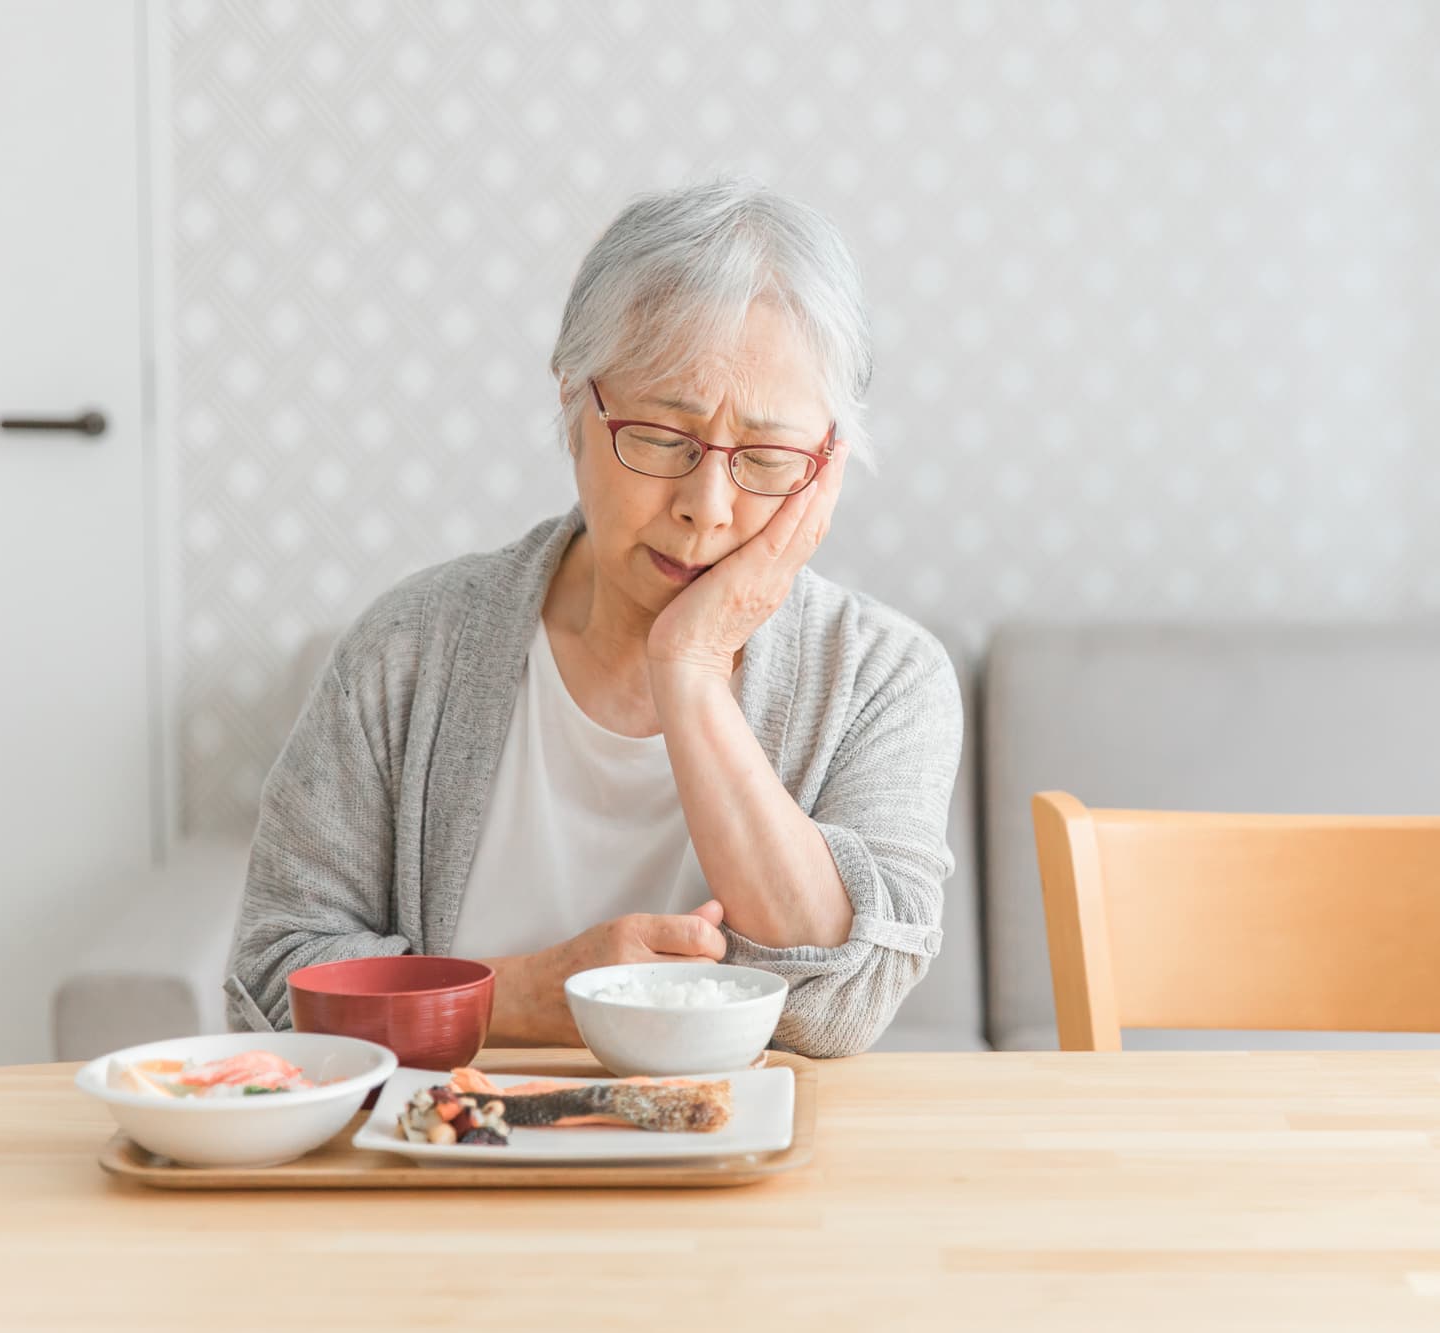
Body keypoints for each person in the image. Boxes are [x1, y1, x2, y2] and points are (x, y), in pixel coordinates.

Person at [224, 178, 962, 1058]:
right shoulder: (408, 650)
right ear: (574, 400)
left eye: (768, 457)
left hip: (752, 1183)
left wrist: (688, 669)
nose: (708, 505)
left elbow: (835, 1007)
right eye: (659, 436)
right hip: (447, 1176)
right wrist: (529, 995)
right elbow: (276, 982)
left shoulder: (885, 678)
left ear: (828, 464)